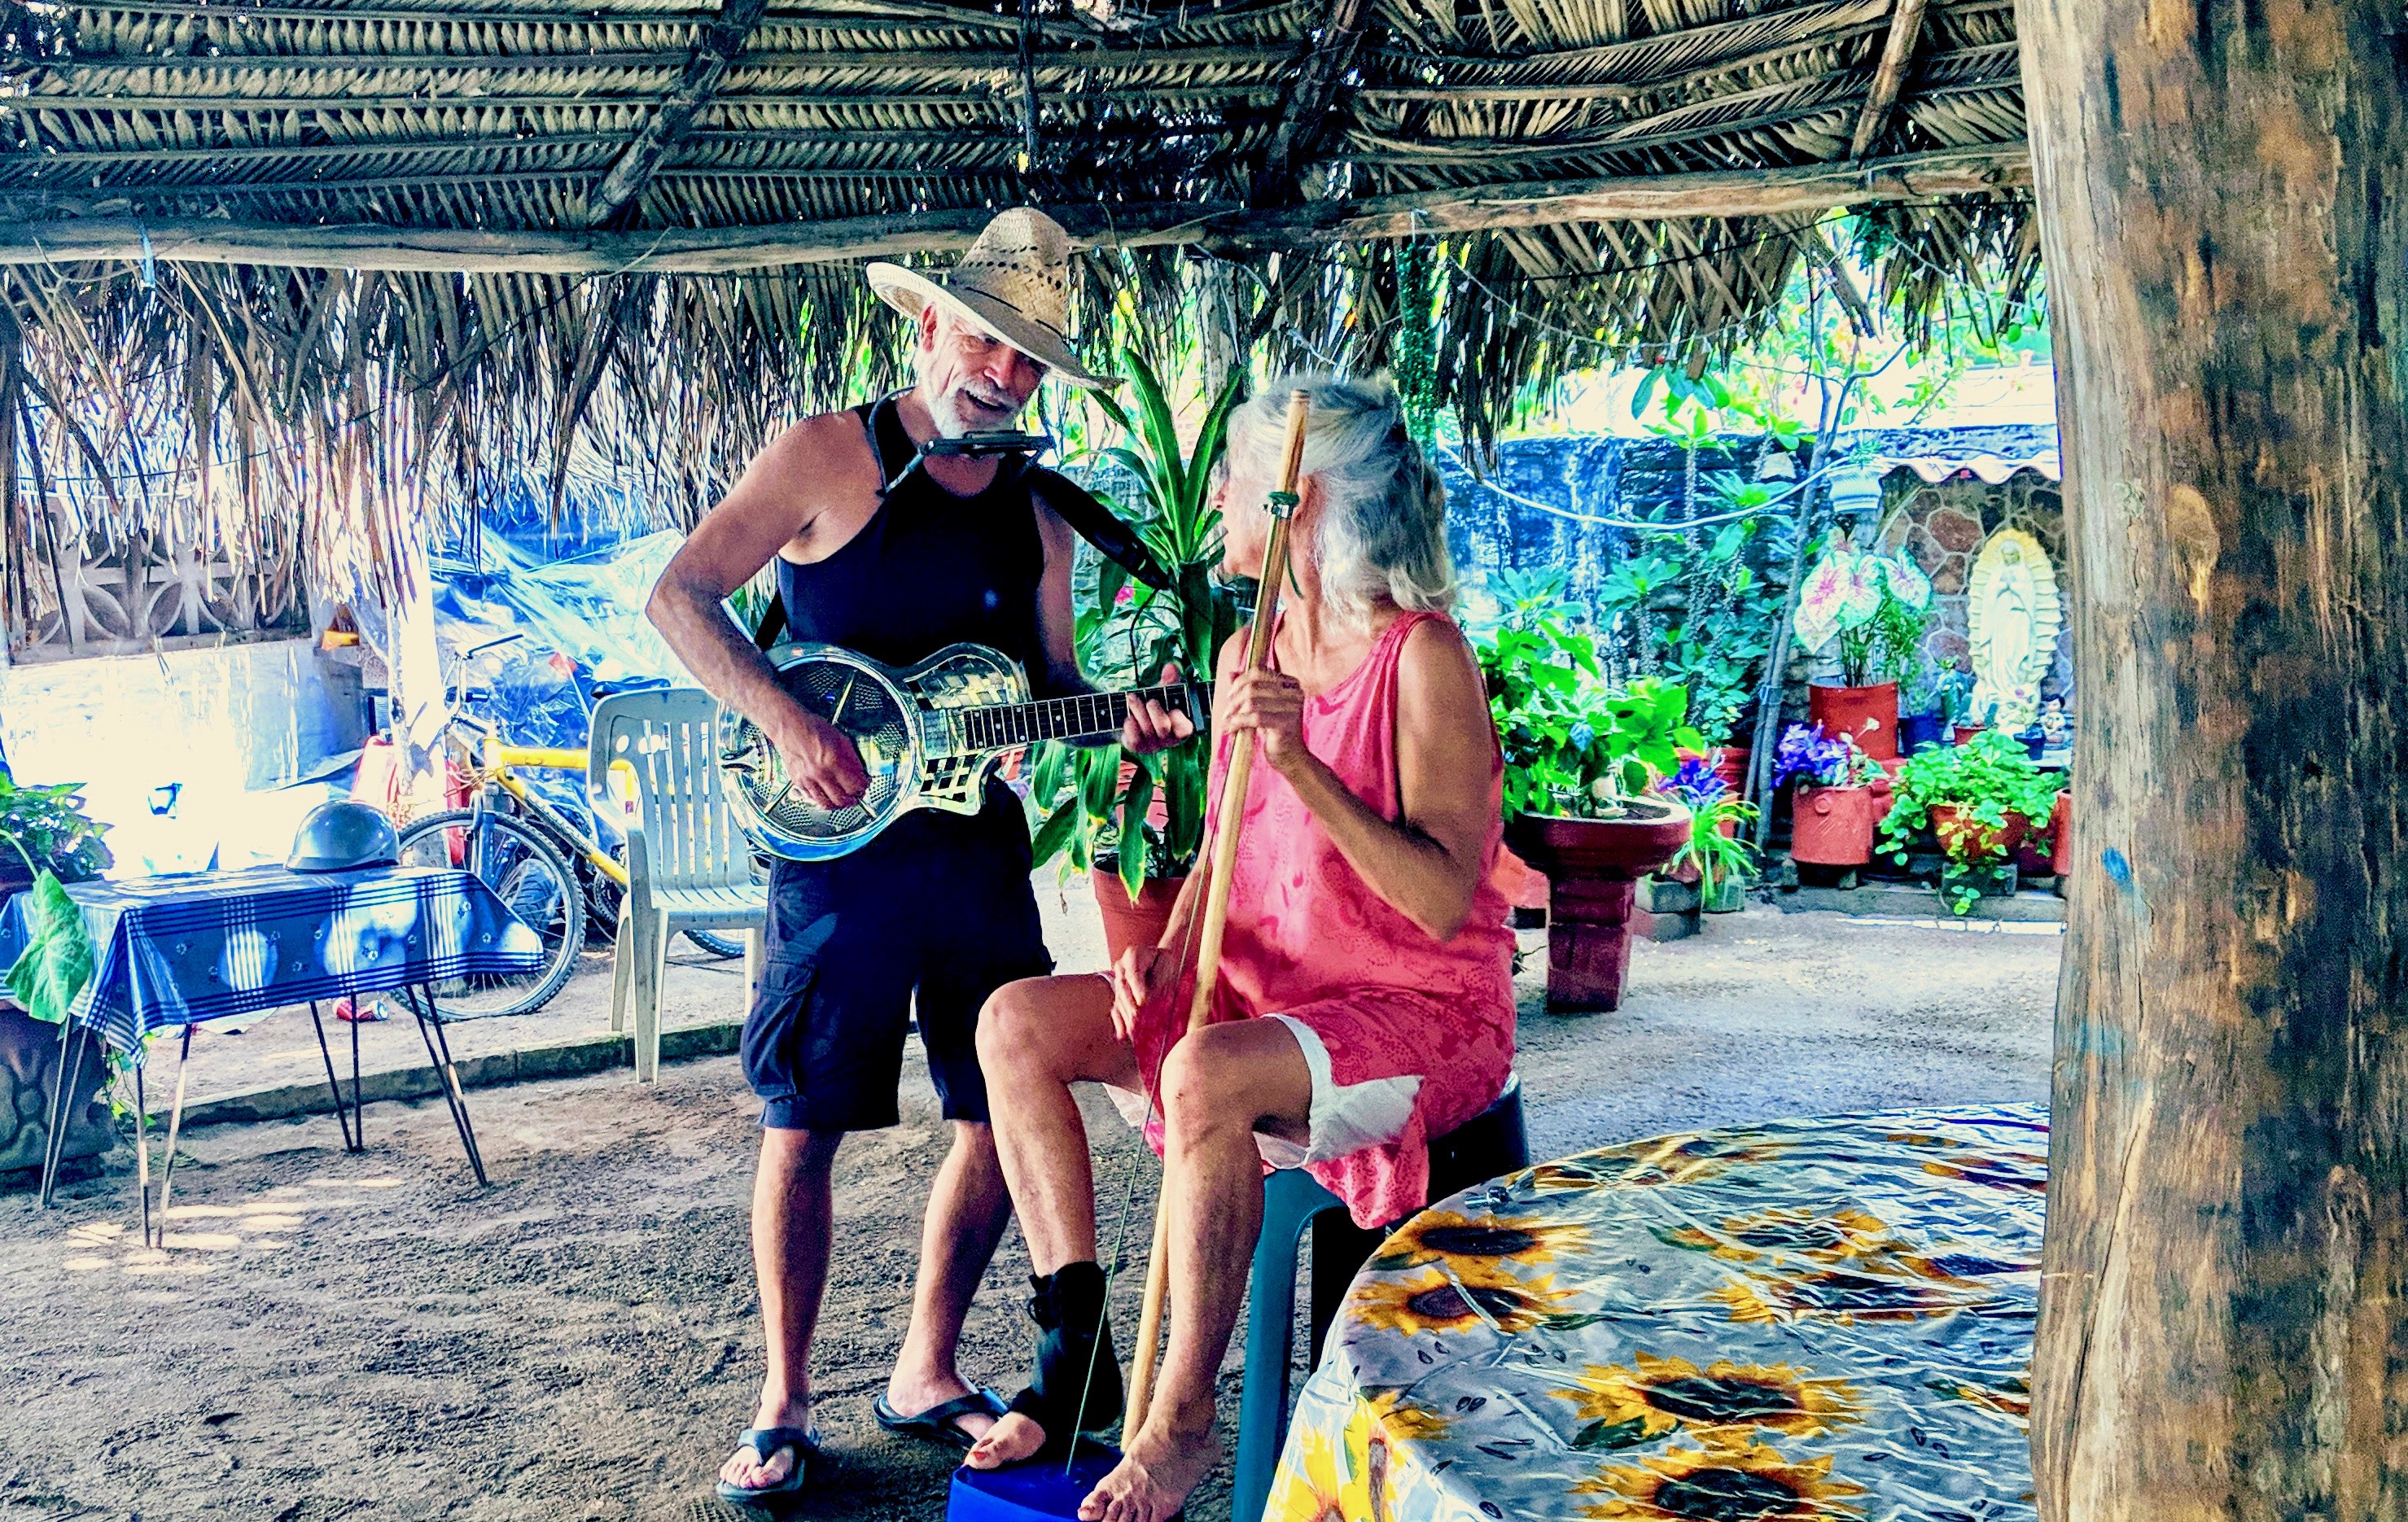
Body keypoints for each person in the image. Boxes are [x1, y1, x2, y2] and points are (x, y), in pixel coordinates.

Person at [645, 208, 1193, 1506]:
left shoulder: (1041, 514)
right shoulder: (828, 454)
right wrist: (785, 722)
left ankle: (924, 1366)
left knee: (998, 1112)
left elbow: (1050, 687)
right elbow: (678, 596)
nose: (1004, 375)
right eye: (987, 342)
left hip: (971, 852)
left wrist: (1122, 714)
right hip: (833, 853)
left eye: (1030, 360)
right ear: (930, 322)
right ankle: (782, 1400)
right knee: (803, 1119)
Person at [964, 377, 1517, 1522]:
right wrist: (1165, 956)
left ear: (1293, 500)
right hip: (1265, 991)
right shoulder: (1246, 648)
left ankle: (1180, 1424)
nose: (1214, 495)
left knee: (1205, 1074)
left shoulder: (1423, 658)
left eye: (1234, 476)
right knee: (1012, 1024)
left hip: (1416, 1011)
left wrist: (1301, 759)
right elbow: (1225, 847)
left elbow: (1437, 900)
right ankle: (1075, 1362)